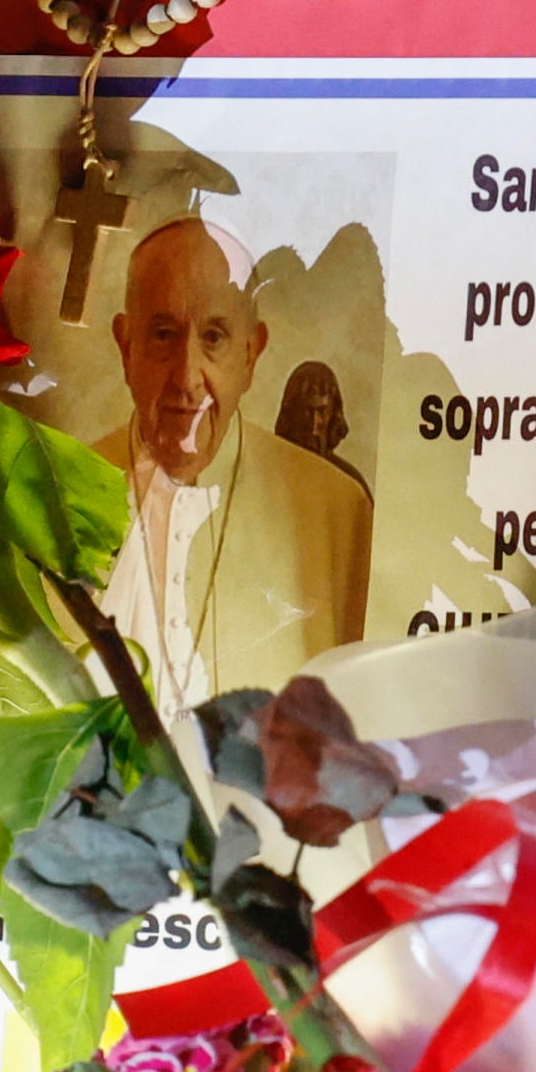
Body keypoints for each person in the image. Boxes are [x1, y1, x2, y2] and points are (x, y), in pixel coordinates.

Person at [85, 216, 371, 705]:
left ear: (250, 354)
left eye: (213, 337)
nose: (187, 376)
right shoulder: (54, 494)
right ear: (125, 346)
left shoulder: (338, 512)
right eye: (162, 333)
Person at [275, 358, 371, 497]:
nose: (314, 423)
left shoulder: (350, 484)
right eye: (306, 411)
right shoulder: (267, 472)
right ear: (292, 412)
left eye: (322, 411)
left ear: (333, 412)